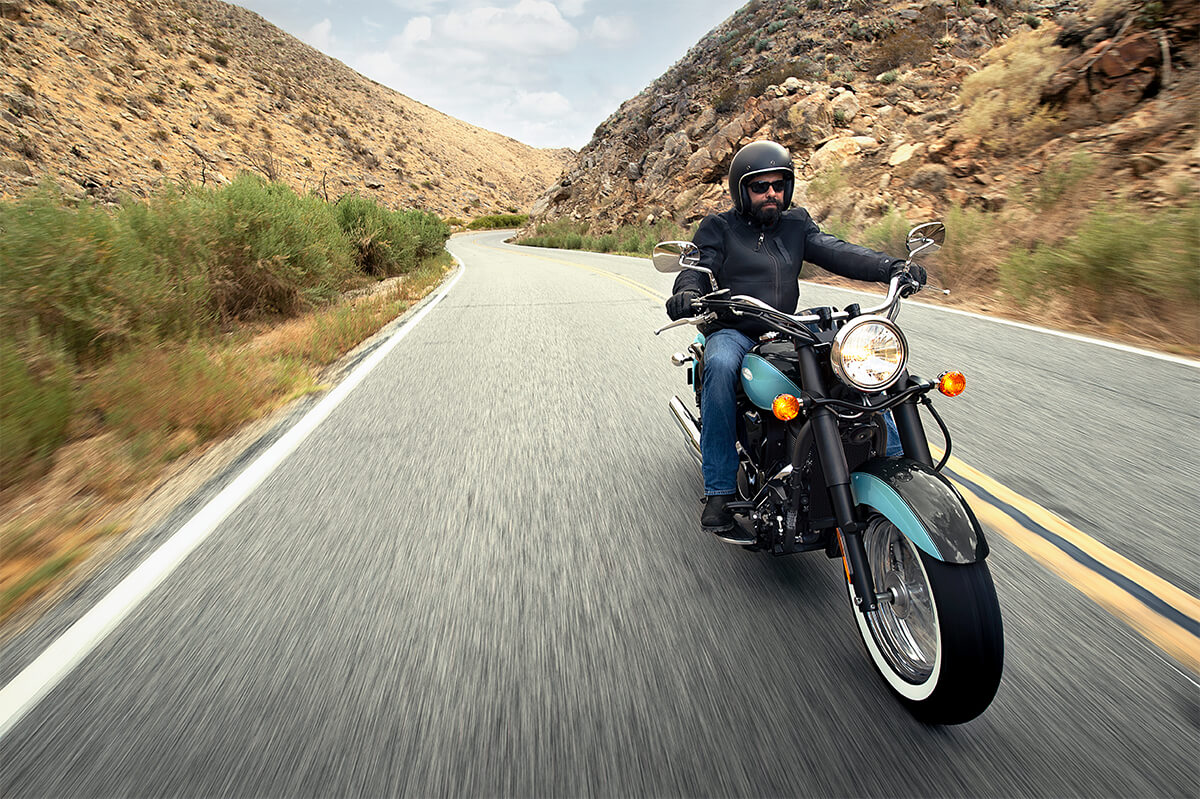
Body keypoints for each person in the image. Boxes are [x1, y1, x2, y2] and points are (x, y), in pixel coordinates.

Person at [665, 140, 926, 544]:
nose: (771, 193)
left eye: (778, 185)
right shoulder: (718, 227)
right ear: (741, 190)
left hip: (788, 326)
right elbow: (698, 267)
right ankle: (720, 491)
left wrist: (891, 267)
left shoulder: (796, 224)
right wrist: (687, 291)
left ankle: (897, 464)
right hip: (737, 328)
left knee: (857, 364)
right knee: (719, 365)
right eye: (760, 186)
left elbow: (836, 251)